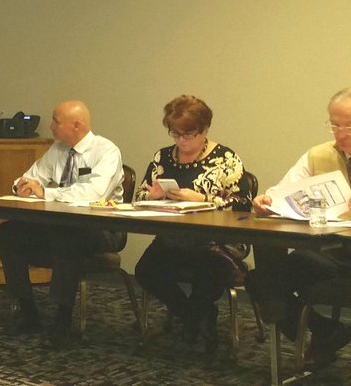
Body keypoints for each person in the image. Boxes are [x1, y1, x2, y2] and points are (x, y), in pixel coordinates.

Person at [0, 100, 124, 347]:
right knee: (7, 233)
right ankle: (27, 310)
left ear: (77, 126)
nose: (51, 126)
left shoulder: (106, 151)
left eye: (56, 121)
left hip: (99, 228)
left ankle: (62, 320)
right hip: (59, 224)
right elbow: (31, 176)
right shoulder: (58, 149)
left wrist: (45, 193)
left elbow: (92, 194)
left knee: (67, 238)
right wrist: (22, 186)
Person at [133, 95, 250, 353]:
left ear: (205, 129)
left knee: (209, 273)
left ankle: (192, 319)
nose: (181, 141)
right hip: (174, 239)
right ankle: (194, 316)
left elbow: (244, 204)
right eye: (175, 134)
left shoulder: (225, 159)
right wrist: (151, 197)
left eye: (189, 135)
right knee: (146, 271)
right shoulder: (162, 158)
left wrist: (204, 199)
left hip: (216, 242)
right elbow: (139, 197)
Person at [247, 88, 351, 367]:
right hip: (329, 252)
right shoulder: (318, 155)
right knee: (260, 280)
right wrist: (266, 202)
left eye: (349, 126)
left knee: (271, 284)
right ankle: (326, 330)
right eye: (334, 124)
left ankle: (325, 336)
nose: (340, 134)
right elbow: (281, 193)